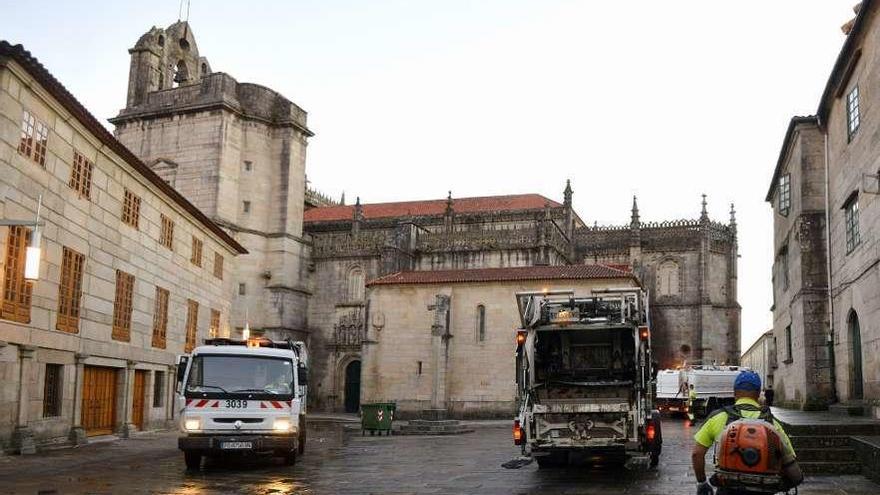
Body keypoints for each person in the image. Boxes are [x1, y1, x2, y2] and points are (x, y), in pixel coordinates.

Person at [691, 370, 802, 495]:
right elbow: (792, 465)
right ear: (759, 393)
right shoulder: (772, 424)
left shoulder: (719, 417)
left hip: (727, 489)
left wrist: (702, 482)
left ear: (734, 392)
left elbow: (697, 454)